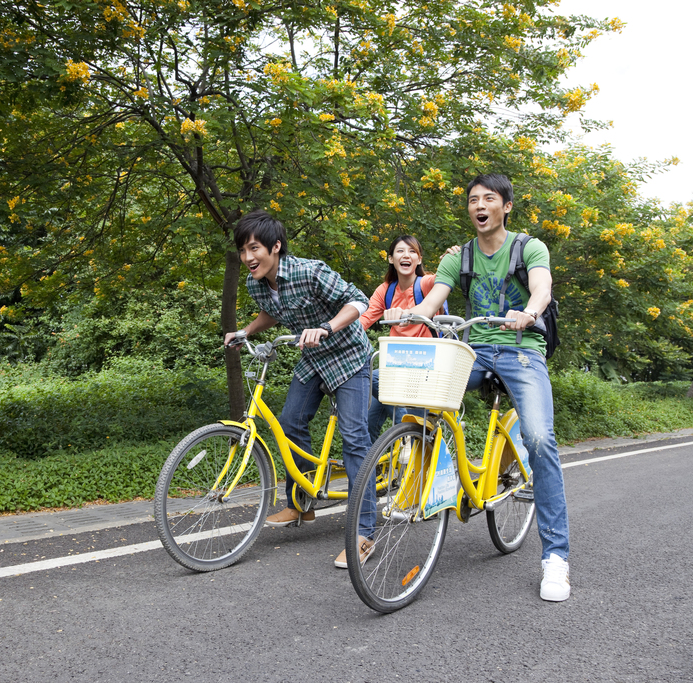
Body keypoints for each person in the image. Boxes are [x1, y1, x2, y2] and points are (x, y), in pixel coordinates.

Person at [384, 173, 571, 602]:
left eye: (489, 199)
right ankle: (438, 482)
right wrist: (408, 315)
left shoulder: (529, 247)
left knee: (540, 438)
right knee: (421, 397)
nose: (479, 205)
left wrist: (529, 311)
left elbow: (541, 287)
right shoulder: (459, 257)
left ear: (506, 206)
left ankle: (556, 558)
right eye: (473, 200)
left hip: (523, 349)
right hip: (475, 349)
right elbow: (433, 303)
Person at [224, 209, 377, 569]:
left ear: (275, 246)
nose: (248, 258)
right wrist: (246, 331)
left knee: (354, 439)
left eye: (254, 249)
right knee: (290, 422)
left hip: (349, 357)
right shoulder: (256, 283)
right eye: (243, 251)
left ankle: (366, 532)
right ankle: (302, 504)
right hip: (312, 359)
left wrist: (327, 326)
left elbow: (359, 301)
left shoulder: (310, 271)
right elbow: (274, 313)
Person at [360, 235, 446, 440]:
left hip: (426, 365)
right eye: (400, 251)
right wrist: (333, 331)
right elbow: (364, 320)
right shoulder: (386, 290)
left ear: (419, 259)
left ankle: (406, 437)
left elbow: (444, 279)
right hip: (397, 364)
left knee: (376, 379)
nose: (406, 255)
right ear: (391, 259)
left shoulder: (425, 284)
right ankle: (373, 467)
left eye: (412, 252)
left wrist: (449, 260)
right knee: (368, 422)